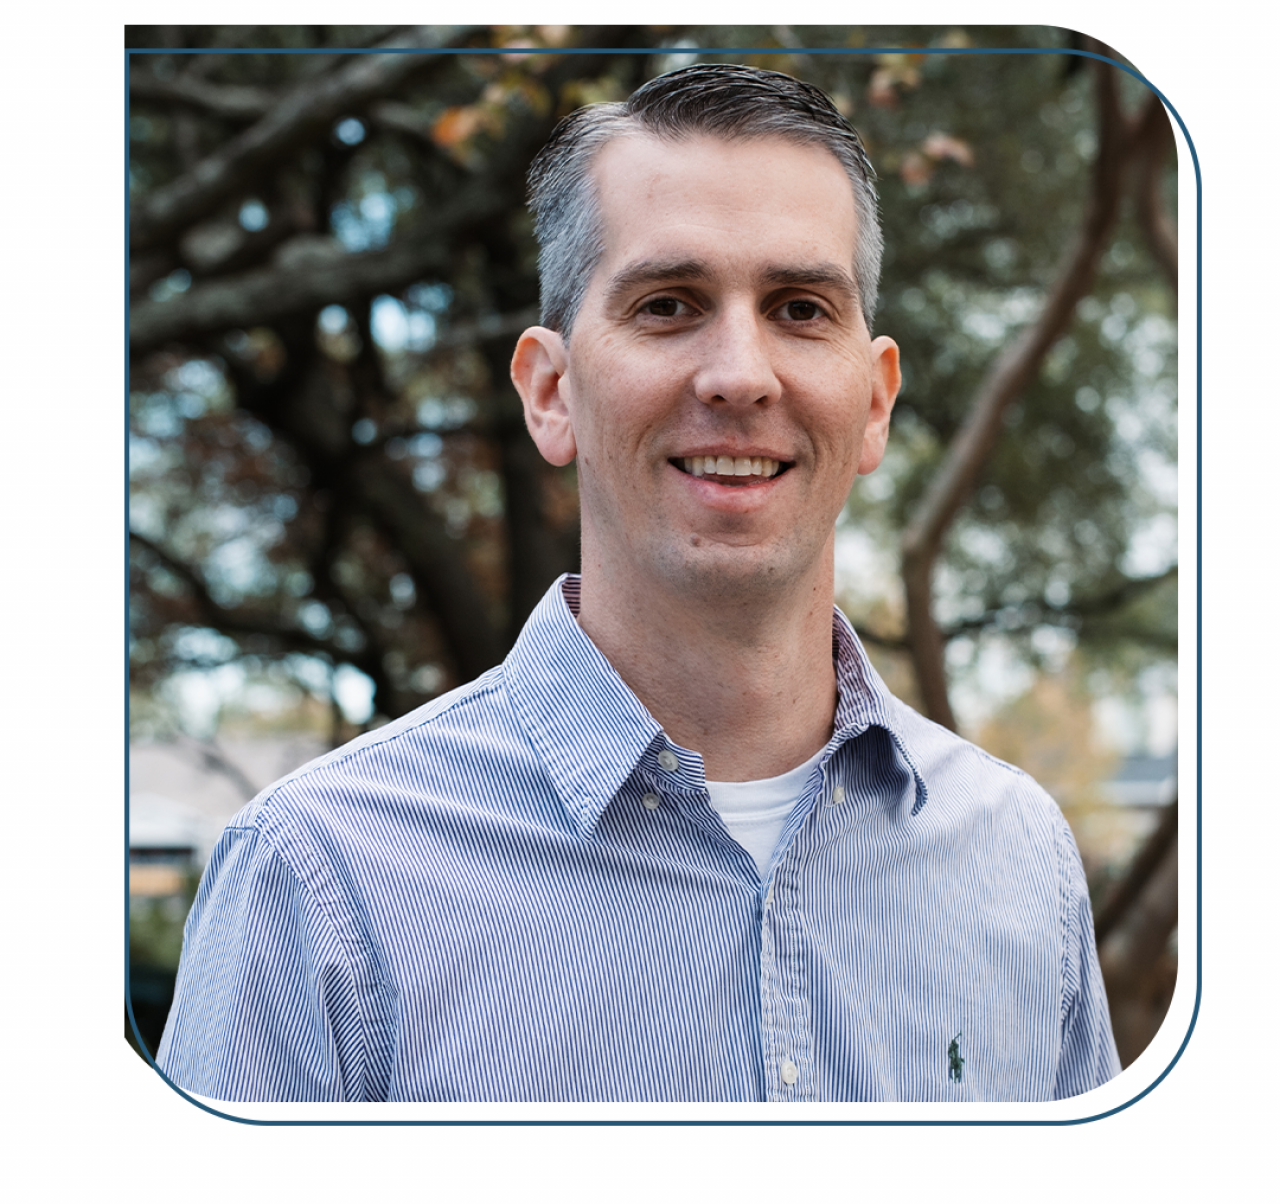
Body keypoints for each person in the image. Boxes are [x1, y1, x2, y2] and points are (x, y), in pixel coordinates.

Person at [156, 64, 1120, 1103]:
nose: (740, 374)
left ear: (874, 400)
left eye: (799, 307)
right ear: (550, 391)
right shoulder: (316, 877)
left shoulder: (1017, 856)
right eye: (668, 305)